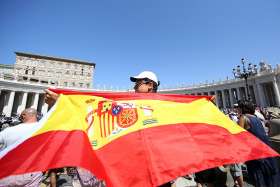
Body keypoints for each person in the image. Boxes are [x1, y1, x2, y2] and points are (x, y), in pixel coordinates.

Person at [237, 100, 280, 187]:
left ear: (242, 108)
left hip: (255, 153)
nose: (237, 109)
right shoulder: (255, 117)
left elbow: (238, 135)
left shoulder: (243, 118)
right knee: (269, 178)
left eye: (238, 107)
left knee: (258, 178)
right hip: (265, 150)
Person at [0, 108, 43, 187]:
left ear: (23, 116)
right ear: (36, 116)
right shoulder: (43, 129)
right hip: (31, 171)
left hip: (7, 171)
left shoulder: (9, 130)